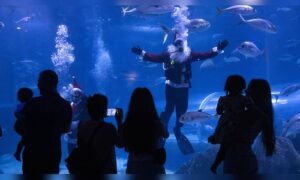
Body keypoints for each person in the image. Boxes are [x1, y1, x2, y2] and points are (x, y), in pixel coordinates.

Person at [131, 38, 229, 154]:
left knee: (181, 112)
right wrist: (141, 52)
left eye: (181, 44)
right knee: (169, 110)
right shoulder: (169, 55)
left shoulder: (189, 54)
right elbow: (154, 58)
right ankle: (163, 130)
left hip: (183, 88)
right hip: (172, 87)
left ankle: (177, 130)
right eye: (177, 44)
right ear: (173, 45)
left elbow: (205, 55)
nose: (180, 46)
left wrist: (218, 49)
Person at [14, 70, 72, 174]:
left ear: (45, 83)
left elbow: (19, 128)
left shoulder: (32, 103)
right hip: (53, 153)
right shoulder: (66, 105)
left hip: (33, 154)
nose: (37, 84)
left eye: (39, 81)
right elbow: (65, 129)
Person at [222, 79, 275, 174]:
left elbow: (236, 134)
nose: (245, 91)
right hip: (243, 159)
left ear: (257, 93)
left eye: (249, 89)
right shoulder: (261, 114)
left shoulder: (254, 114)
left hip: (239, 161)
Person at [208, 75, 252, 173]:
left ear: (227, 87)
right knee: (240, 146)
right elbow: (251, 108)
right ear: (242, 87)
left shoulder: (223, 99)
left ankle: (215, 164)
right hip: (240, 124)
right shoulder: (244, 99)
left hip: (226, 126)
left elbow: (219, 111)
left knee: (223, 147)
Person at [71, 94, 123, 173]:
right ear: (104, 111)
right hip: (106, 170)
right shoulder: (109, 128)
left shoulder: (81, 126)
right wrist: (119, 122)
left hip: (87, 169)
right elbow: (120, 144)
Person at [122, 87, 169, 174]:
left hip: (133, 165)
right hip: (153, 165)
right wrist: (163, 121)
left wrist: (118, 123)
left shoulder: (127, 124)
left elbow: (121, 143)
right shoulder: (156, 124)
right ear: (150, 103)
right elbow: (166, 135)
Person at [66, 77, 90, 154]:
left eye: (77, 97)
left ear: (81, 96)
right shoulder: (70, 105)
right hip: (72, 137)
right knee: (72, 156)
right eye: (73, 97)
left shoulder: (86, 105)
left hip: (84, 136)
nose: (75, 99)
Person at [14, 87, 34, 161]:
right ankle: (17, 153)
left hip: (21, 126)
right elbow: (17, 113)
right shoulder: (25, 104)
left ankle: (17, 153)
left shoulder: (23, 104)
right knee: (25, 139)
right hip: (22, 126)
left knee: (24, 139)